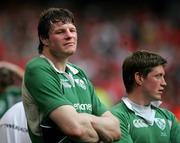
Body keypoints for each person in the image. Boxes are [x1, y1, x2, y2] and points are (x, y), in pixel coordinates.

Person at [22, 7, 121, 143]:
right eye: (60, 31)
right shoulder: (38, 68)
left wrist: (83, 119)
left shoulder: (78, 73)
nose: (69, 35)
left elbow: (115, 129)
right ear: (44, 39)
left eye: (72, 30)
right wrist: (100, 131)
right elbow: (76, 129)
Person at [111, 50, 180, 143]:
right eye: (158, 76)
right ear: (139, 78)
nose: (164, 83)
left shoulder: (169, 118)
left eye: (163, 77)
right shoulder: (116, 117)